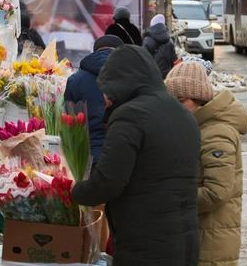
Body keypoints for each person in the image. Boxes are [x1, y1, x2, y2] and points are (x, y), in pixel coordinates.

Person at [71, 45, 201, 266]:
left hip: (145, 246)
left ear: (123, 83)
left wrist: (71, 191)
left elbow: (108, 182)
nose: (105, 96)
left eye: (107, 87)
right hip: (184, 243)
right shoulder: (182, 114)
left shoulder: (130, 116)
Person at [165, 61, 247, 266]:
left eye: (181, 100)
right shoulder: (197, 127)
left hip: (211, 244)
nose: (175, 108)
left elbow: (216, 192)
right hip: (201, 235)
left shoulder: (216, 133)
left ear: (199, 98)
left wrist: (168, 201)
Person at [64, 35, 124, 169]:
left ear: (95, 51)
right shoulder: (131, 77)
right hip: (124, 154)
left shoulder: (75, 80)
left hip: (89, 156)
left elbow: (69, 122)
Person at [143, 14, 177, 79]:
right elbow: (174, 60)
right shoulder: (170, 41)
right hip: (167, 76)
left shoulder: (148, 40)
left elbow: (143, 59)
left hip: (152, 76)